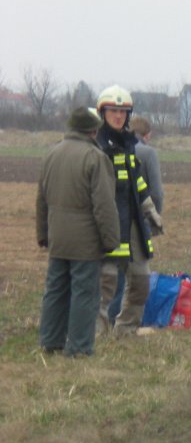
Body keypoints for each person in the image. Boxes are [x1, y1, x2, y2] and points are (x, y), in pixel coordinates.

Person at [36, 107, 120, 357]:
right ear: (93, 131)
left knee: (55, 290)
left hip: (58, 237)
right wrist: (111, 240)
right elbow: (104, 204)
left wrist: (43, 234)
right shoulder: (95, 158)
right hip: (85, 241)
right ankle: (79, 347)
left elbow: (41, 200)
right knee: (85, 293)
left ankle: (50, 341)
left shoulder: (51, 154)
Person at [94, 85, 164, 337]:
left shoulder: (128, 144)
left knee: (141, 280)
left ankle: (126, 330)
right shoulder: (96, 146)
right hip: (108, 221)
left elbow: (137, 183)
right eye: (113, 111)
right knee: (106, 282)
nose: (118, 116)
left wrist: (150, 210)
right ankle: (96, 334)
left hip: (132, 219)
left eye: (123, 111)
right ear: (103, 113)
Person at [109, 115, 164, 324]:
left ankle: (106, 320)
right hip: (138, 221)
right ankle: (122, 322)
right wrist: (155, 219)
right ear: (147, 135)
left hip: (114, 220)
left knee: (113, 274)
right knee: (136, 276)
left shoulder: (111, 149)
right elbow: (156, 192)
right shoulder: (148, 153)